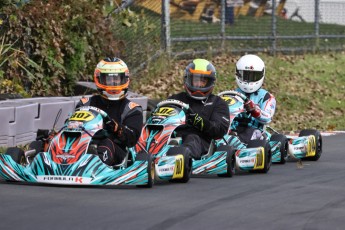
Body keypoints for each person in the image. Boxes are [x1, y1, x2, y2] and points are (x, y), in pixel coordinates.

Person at [76, 57, 143, 166]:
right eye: (108, 79)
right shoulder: (85, 103)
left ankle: (92, 164)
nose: (113, 84)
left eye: (117, 79)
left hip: (115, 149)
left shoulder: (132, 109)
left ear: (125, 79)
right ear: (99, 79)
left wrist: (118, 128)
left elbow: (132, 138)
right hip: (85, 142)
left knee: (105, 144)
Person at [168, 58, 230, 160]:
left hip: (201, 141)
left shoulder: (217, 103)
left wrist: (199, 121)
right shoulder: (176, 99)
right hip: (172, 137)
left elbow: (219, 129)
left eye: (203, 81)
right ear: (188, 79)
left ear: (209, 82)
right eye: (196, 80)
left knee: (192, 138)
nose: (199, 85)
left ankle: (180, 160)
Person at [231, 54, 276, 144]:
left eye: (253, 76)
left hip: (255, 131)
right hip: (233, 129)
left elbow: (268, 118)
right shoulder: (232, 94)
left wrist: (255, 110)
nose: (249, 80)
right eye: (246, 75)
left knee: (249, 133)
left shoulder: (266, 97)